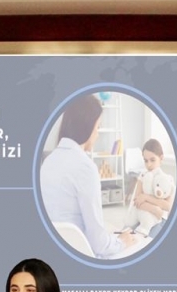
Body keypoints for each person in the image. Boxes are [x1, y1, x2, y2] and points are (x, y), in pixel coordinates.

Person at [40, 94, 137, 258]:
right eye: (97, 127)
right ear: (87, 126)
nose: (97, 134)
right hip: (80, 252)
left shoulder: (48, 162)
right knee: (136, 242)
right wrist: (121, 242)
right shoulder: (85, 167)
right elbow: (99, 245)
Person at [126, 139, 176, 237]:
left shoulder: (167, 179)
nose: (148, 165)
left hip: (159, 220)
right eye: (146, 161)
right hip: (141, 216)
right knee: (129, 236)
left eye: (152, 160)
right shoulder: (142, 176)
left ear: (161, 158)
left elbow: (167, 206)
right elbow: (137, 202)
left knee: (147, 239)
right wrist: (154, 209)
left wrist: (145, 197)